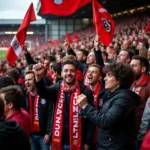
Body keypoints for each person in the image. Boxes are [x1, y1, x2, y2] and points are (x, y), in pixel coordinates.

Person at [77, 63, 141, 150]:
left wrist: (85, 106)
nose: (105, 78)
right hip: (107, 145)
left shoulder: (123, 99)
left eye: (109, 76)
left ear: (119, 80)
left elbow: (106, 121)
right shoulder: (112, 95)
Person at [33, 59, 94, 150]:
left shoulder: (85, 91)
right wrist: (38, 78)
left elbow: (91, 119)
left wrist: (87, 142)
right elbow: (43, 92)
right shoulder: (56, 88)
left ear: (76, 73)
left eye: (72, 71)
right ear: (61, 73)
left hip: (79, 143)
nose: (68, 73)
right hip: (58, 142)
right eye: (65, 71)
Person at [24, 70, 52, 150]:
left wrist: (48, 133)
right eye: (25, 80)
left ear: (35, 80)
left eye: (29, 79)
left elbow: (50, 114)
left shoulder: (45, 94)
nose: (27, 82)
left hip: (43, 136)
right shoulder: (24, 94)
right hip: (31, 135)